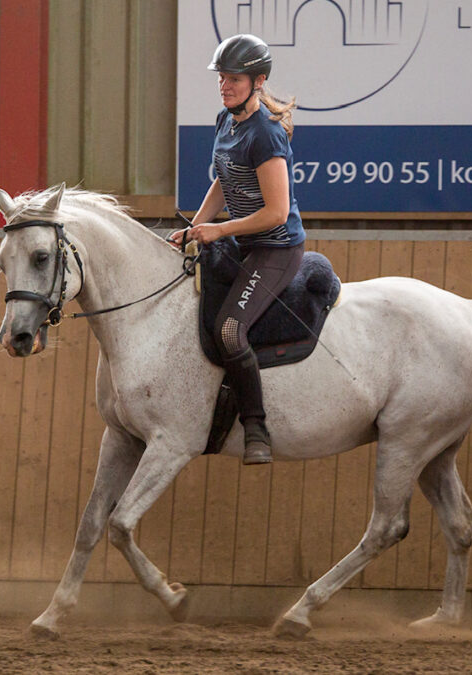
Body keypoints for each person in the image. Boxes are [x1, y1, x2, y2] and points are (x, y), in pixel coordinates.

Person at [169, 34, 305, 465]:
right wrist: (195, 228)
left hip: (276, 250)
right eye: (221, 78)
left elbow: (276, 213)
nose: (224, 86)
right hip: (243, 243)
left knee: (229, 329)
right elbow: (223, 181)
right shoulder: (224, 122)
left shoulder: (265, 135)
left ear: (258, 81)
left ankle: (256, 428)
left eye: (234, 79)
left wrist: (220, 230)